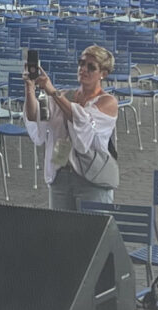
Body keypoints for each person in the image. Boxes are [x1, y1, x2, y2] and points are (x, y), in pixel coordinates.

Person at [35, 46, 119, 213]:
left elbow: (81, 119)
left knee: (92, 232)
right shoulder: (64, 95)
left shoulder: (108, 102)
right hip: (61, 172)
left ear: (103, 73)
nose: (83, 69)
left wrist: (52, 91)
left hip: (91, 176)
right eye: (81, 64)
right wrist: (31, 88)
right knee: (60, 233)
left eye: (91, 67)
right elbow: (37, 115)